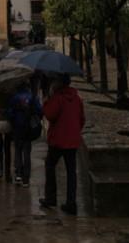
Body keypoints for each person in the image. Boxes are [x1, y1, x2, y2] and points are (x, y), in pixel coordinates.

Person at [39, 73, 85, 214]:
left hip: (58, 140)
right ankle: (71, 203)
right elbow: (82, 118)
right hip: (72, 140)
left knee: (50, 165)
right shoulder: (76, 99)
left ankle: (51, 199)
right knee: (71, 171)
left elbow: (49, 115)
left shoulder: (58, 98)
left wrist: (46, 101)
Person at [8, 80, 42, 187]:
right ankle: (26, 179)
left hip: (17, 127)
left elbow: (10, 113)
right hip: (28, 128)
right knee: (27, 153)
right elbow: (39, 111)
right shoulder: (32, 97)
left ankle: (18, 174)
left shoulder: (14, 97)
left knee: (18, 151)